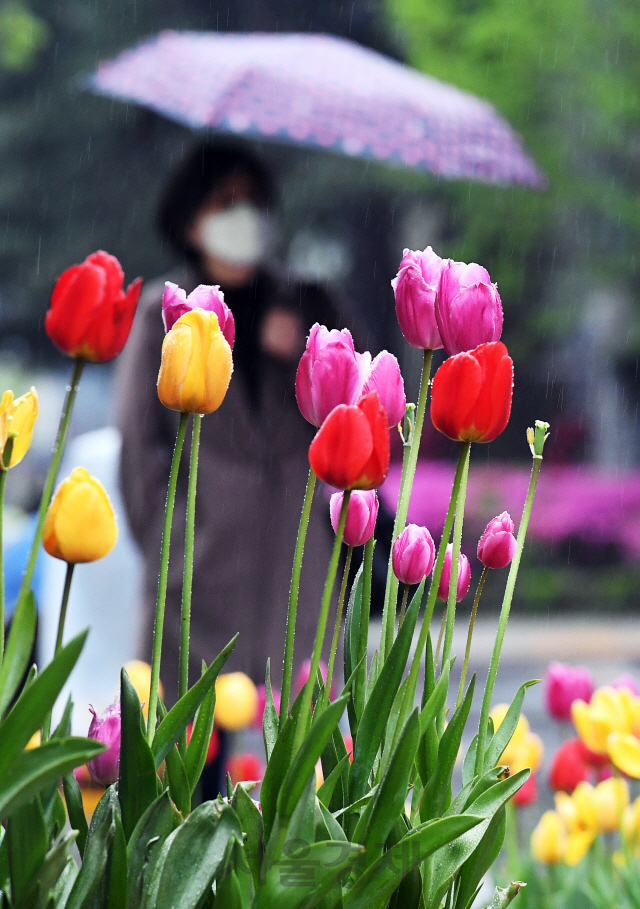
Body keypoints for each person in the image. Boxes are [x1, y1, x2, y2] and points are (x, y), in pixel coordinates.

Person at [115, 141, 348, 708]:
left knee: (293, 747)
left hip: (296, 562)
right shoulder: (164, 314)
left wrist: (299, 354)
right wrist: (173, 543)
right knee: (191, 747)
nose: (242, 215)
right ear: (190, 221)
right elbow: (139, 448)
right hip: (198, 570)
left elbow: (358, 408)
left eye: (253, 201)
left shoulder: (308, 302)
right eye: (225, 201)